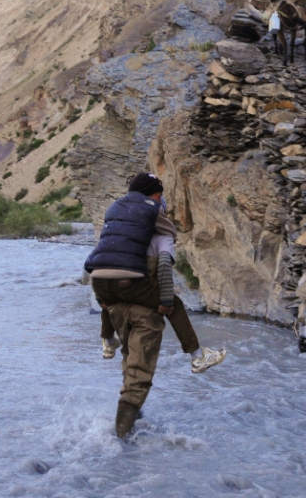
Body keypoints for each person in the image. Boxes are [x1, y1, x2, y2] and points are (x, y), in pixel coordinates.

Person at [85, 173, 225, 439]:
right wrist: (164, 301)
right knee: (141, 371)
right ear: (153, 199)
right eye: (160, 198)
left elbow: (102, 266)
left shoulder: (119, 226)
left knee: (129, 359)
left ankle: (107, 343)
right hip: (137, 295)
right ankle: (121, 440)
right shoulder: (161, 234)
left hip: (106, 289)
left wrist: (103, 301)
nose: (163, 203)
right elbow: (162, 266)